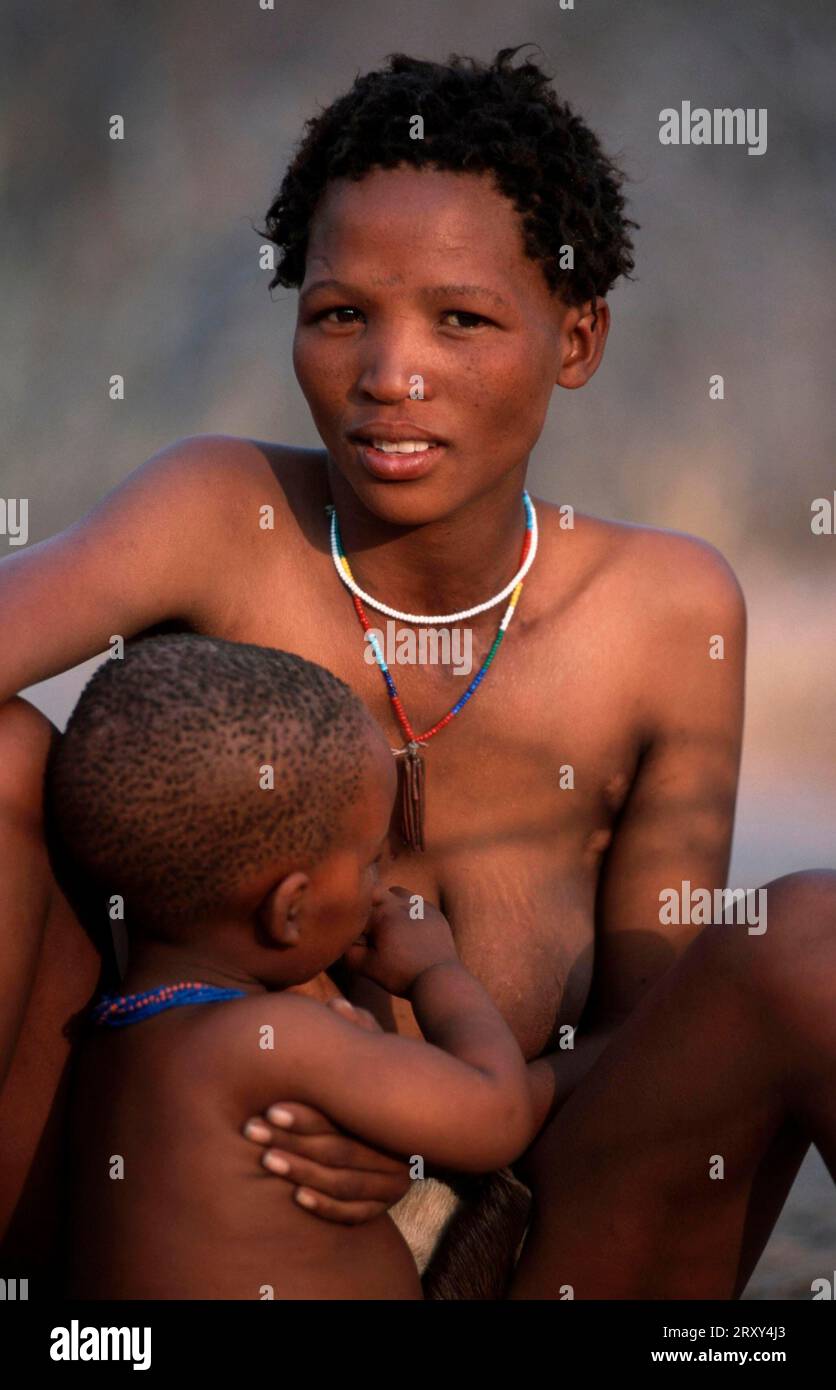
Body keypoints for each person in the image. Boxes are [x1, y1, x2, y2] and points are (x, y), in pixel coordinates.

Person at [1, 46, 834, 1299]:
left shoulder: (665, 612)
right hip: (188, 1234)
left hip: (529, 1231)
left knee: (810, 935)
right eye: (341, 313)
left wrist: (427, 1112)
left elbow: (648, 1023)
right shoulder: (219, 511)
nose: (390, 375)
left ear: (574, 336)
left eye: (461, 317)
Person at [47, 633, 538, 1299]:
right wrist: (437, 971)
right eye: (370, 859)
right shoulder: (273, 1042)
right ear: (290, 911)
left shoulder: (119, 1036)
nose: (381, 881)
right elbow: (498, 1115)